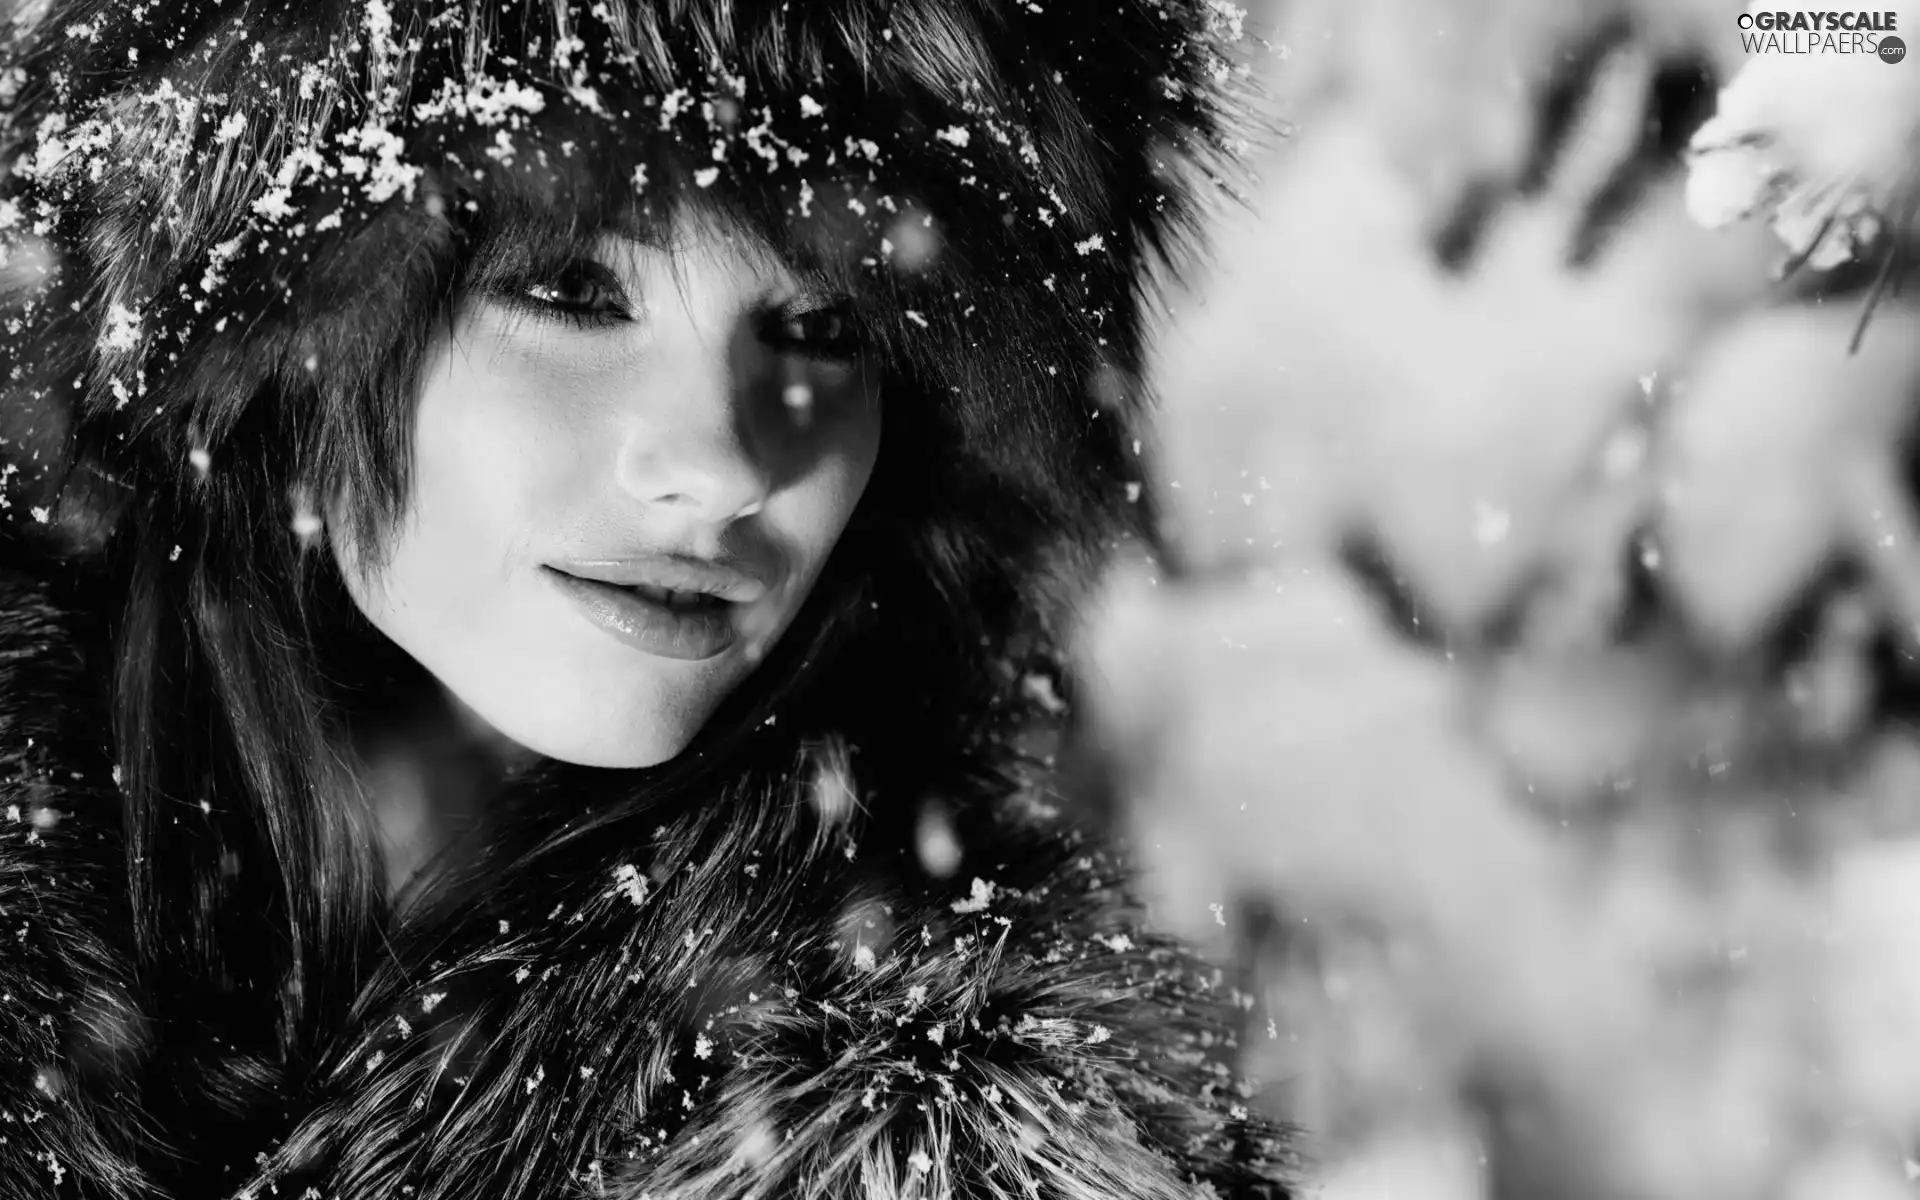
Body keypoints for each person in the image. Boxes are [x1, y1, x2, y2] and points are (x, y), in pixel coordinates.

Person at [0, 0, 1296, 1196]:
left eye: (827, 331)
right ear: (262, 355)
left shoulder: (971, 1138)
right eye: (572, 290)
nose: (728, 466)